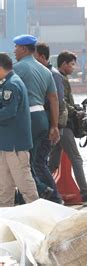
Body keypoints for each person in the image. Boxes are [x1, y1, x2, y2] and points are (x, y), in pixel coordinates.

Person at [49, 51, 87, 203]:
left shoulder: (58, 77)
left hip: (59, 123)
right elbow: (61, 102)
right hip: (64, 124)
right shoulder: (59, 78)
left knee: (52, 163)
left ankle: (42, 189)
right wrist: (75, 111)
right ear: (64, 64)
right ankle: (85, 193)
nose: (74, 68)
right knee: (76, 159)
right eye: (72, 64)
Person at [12, 34, 60, 202]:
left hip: (26, 119)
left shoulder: (16, 69)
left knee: (21, 160)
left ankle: (42, 190)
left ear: (24, 49)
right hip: (42, 119)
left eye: (16, 47)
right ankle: (38, 195)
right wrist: (54, 126)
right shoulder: (45, 70)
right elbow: (54, 99)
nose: (14, 50)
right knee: (34, 160)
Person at [0, 53, 39, 207]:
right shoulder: (6, 84)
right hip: (6, 143)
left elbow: (9, 112)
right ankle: (4, 218)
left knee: (24, 183)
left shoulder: (12, 85)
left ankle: (37, 214)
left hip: (15, 144)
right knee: (4, 185)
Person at [33, 42, 66, 204]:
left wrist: (55, 127)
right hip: (43, 123)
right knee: (38, 162)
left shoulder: (53, 75)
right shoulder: (44, 73)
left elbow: (57, 103)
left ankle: (54, 197)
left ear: (40, 56)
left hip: (47, 125)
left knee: (39, 162)